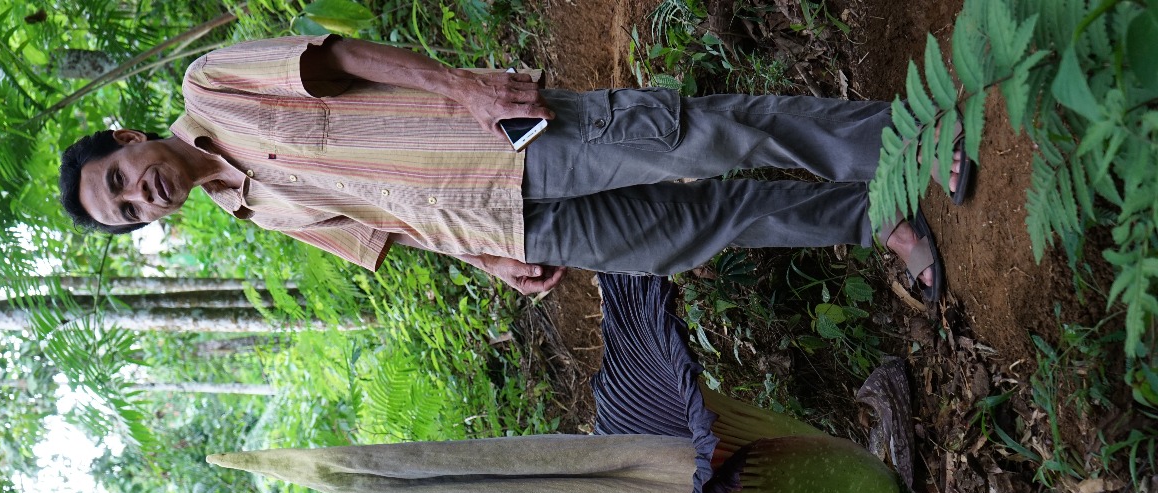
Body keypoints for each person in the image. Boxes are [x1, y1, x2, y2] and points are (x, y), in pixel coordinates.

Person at [59, 35, 966, 300]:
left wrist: (464, 90)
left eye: (123, 182)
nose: (144, 197)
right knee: (697, 232)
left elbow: (340, 60)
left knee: (705, 138)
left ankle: (910, 138)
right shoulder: (247, 213)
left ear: (123, 137)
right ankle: (875, 215)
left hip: (504, 139)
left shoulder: (210, 87)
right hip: (506, 226)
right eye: (132, 214)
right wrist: (488, 261)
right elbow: (388, 230)